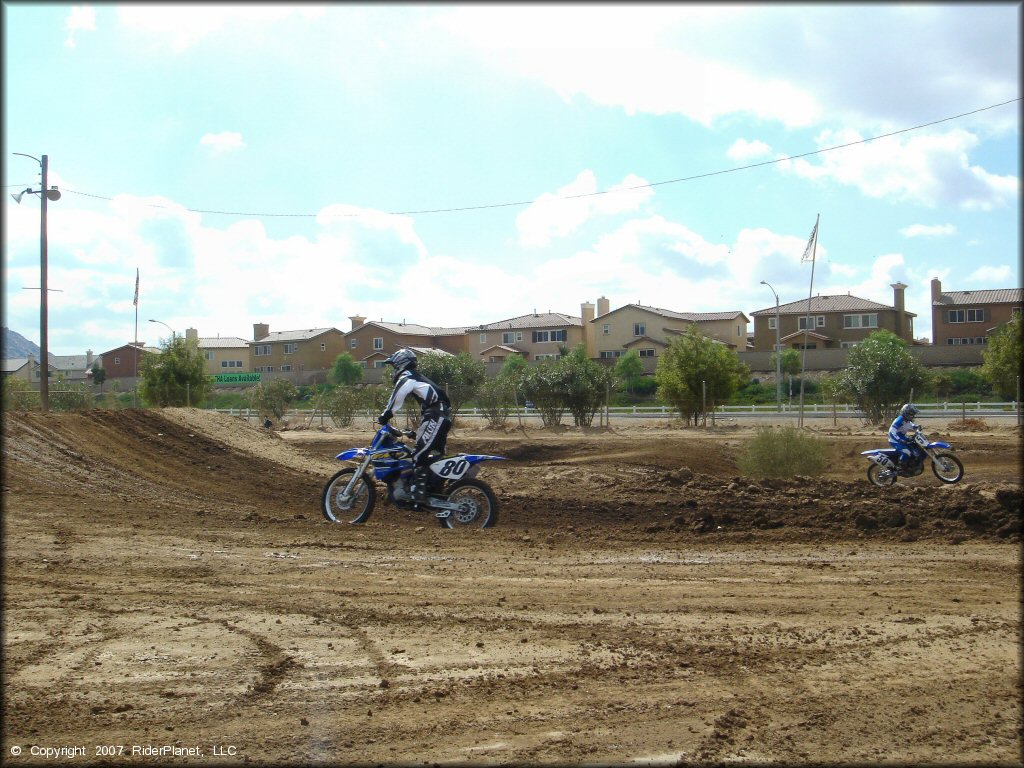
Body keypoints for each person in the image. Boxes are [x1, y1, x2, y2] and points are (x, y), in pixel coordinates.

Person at [377, 348, 452, 503]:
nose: (394, 370)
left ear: (400, 363)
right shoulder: (418, 378)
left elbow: (398, 395)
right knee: (435, 455)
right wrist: (415, 433)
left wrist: (386, 414)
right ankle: (434, 489)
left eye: (394, 366)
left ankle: (418, 493)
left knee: (419, 454)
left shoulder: (407, 376)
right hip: (439, 416)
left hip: (436, 415)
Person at [888, 403, 921, 468]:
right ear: (906, 413)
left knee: (914, 447)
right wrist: (900, 440)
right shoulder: (899, 420)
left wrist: (917, 427)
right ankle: (900, 467)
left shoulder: (906, 420)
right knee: (907, 452)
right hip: (895, 441)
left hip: (903, 438)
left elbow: (912, 426)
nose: (913, 416)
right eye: (912, 414)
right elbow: (891, 432)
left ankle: (911, 464)